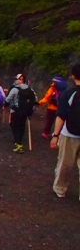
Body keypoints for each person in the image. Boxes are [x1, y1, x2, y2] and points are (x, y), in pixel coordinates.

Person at [50, 63, 80, 199]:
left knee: (65, 164)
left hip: (69, 134)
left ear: (73, 76)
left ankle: (60, 189)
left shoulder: (68, 93)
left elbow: (61, 116)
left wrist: (55, 136)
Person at [4, 73, 38, 154]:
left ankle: (18, 143)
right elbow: (36, 100)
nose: (15, 81)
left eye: (16, 79)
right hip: (26, 112)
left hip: (16, 111)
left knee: (14, 125)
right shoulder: (30, 90)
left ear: (20, 80)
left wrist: (5, 105)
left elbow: (7, 99)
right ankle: (19, 141)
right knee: (22, 126)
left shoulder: (15, 89)